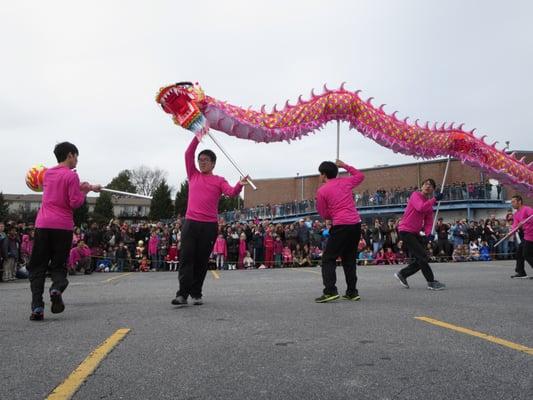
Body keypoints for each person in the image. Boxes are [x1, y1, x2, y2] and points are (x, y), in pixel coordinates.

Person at [27, 142, 101, 320]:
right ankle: (56, 288)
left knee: (38, 267)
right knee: (58, 265)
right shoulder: (71, 176)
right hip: (62, 226)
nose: (76, 160)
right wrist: (85, 192)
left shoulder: (48, 174)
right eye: (76, 156)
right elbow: (74, 202)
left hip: (43, 225)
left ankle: (37, 307)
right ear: (70, 155)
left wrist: (87, 187)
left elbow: (58, 190)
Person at [171, 136, 248, 306]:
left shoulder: (219, 180)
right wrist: (198, 137)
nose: (201, 162)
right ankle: (182, 294)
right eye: (200, 160)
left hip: (209, 226)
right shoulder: (193, 174)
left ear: (213, 163)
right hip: (190, 223)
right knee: (186, 258)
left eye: (206, 160)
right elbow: (188, 153)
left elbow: (231, 192)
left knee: (201, 260)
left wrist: (240, 184)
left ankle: (196, 293)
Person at [314, 159, 364, 303]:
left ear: (323, 175)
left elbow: (324, 213)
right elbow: (360, 176)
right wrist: (345, 165)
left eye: (320, 174)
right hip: (355, 223)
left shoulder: (322, 190)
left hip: (341, 224)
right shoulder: (345, 182)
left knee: (328, 258)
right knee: (349, 258)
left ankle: (330, 291)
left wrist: (333, 215)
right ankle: (352, 292)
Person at [394, 178, 446, 290]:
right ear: (421, 186)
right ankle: (431, 282)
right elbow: (420, 207)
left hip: (415, 232)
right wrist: (435, 199)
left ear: (433, 189)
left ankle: (403, 274)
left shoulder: (429, 205)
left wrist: (429, 234)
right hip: (405, 230)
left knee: (423, 258)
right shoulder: (415, 195)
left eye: (431, 185)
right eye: (426, 184)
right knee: (422, 256)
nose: (428, 186)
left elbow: (428, 222)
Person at [509, 195, 533, 278]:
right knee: (519, 252)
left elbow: (532, 217)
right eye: (511, 202)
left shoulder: (527, 209)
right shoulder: (515, 214)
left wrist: (523, 222)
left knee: (527, 254)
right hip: (526, 235)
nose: (512, 204)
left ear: (519, 202)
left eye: (513, 202)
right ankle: (521, 272)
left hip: (531, 234)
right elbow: (515, 225)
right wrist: (511, 232)